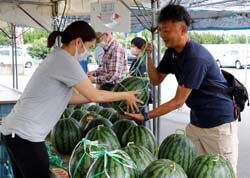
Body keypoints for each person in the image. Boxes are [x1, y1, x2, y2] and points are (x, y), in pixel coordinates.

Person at [1, 21, 142, 178]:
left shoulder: (58, 57)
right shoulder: (65, 61)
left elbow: (71, 97)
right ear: (78, 42)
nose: (88, 52)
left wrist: (93, 97)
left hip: (17, 133)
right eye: (89, 47)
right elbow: (96, 96)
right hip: (25, 136)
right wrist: (125, 95)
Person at [126, 4, 238, 176]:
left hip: (218, 124)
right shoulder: (172, 53)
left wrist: (146, 115)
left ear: (183, 29)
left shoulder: (196, 57)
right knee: (193, 171)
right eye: (161, 30)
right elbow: (155, 80)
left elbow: (178, 101)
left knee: (221, 172)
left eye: (167, 30)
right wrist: (148, 56)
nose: (162, 35)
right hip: (197, 121)